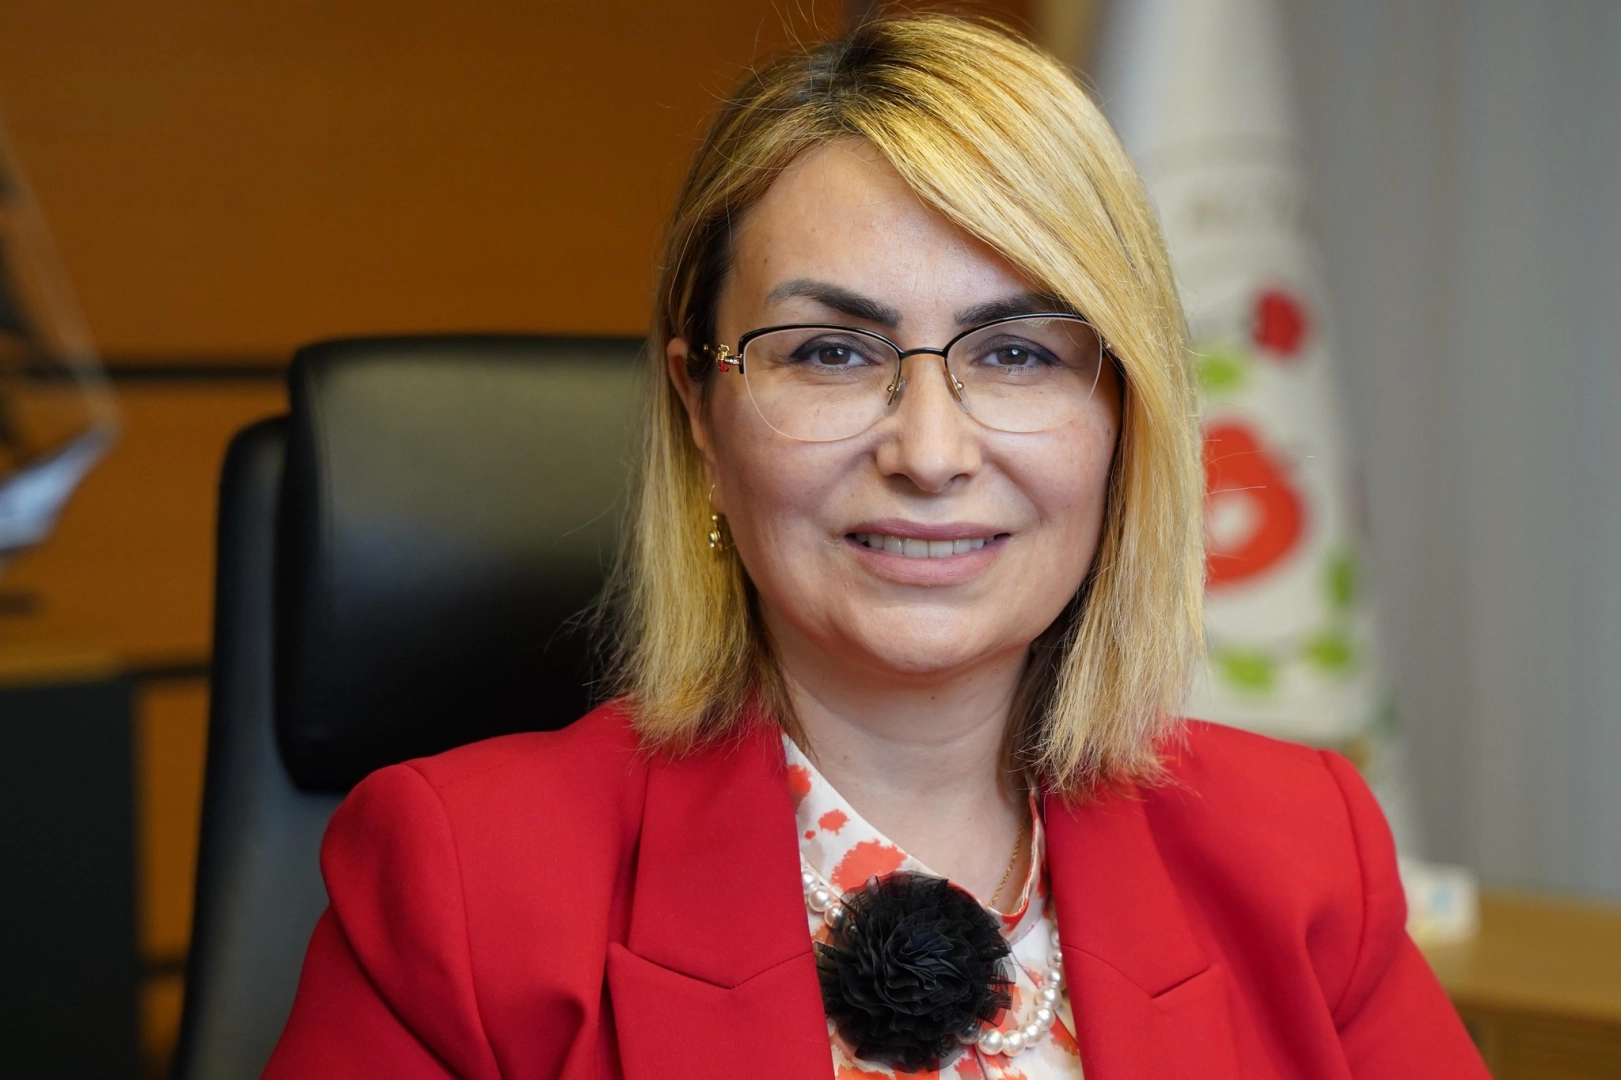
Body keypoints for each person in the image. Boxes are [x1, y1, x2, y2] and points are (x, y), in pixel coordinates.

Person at [265, 15, 1489, 1080]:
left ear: (1124, 417)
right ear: (702, 415)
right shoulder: (464, 887)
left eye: (1017, 353)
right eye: (831, 353)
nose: (931, 451)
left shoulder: (1301, 855)